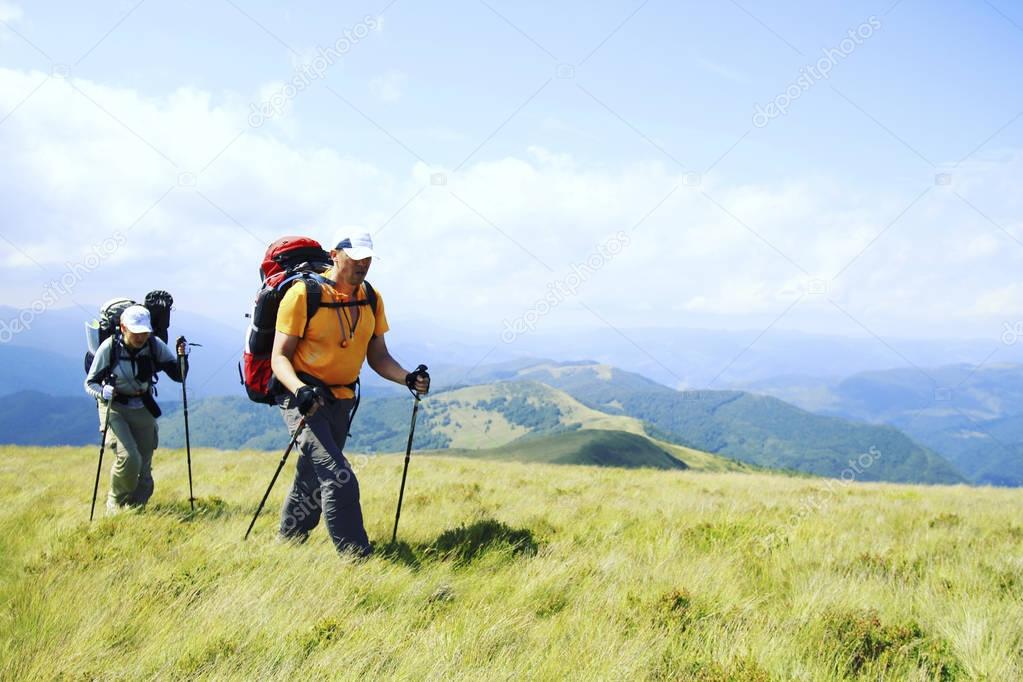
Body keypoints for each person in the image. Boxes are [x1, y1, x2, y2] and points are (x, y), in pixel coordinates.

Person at [271, 231, 430, 557]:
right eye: (355, 257)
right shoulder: (303, 295)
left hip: (342, 400)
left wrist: (408, 378)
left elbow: (379, 356)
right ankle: (358, 560)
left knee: (312, 479)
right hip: (303, 400)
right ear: (334, 254)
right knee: (338, 476)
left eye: (367, 258)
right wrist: (300, 390)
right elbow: (279, 357)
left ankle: (286, 549)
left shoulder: (371, 297)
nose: (362, 264)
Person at [84, 305, 187, 514]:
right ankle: (115, 503)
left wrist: (182, 356)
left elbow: (179, 375)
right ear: (123, 328)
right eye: (136, 332)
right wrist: (102, 391)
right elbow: (90, 383)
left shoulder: (154, 345)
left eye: (144, 332)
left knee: (144, 463)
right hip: (114, 408)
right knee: (129, 457)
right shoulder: (109, 347)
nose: (141, 337)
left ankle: (137, 507)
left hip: (142, 404)